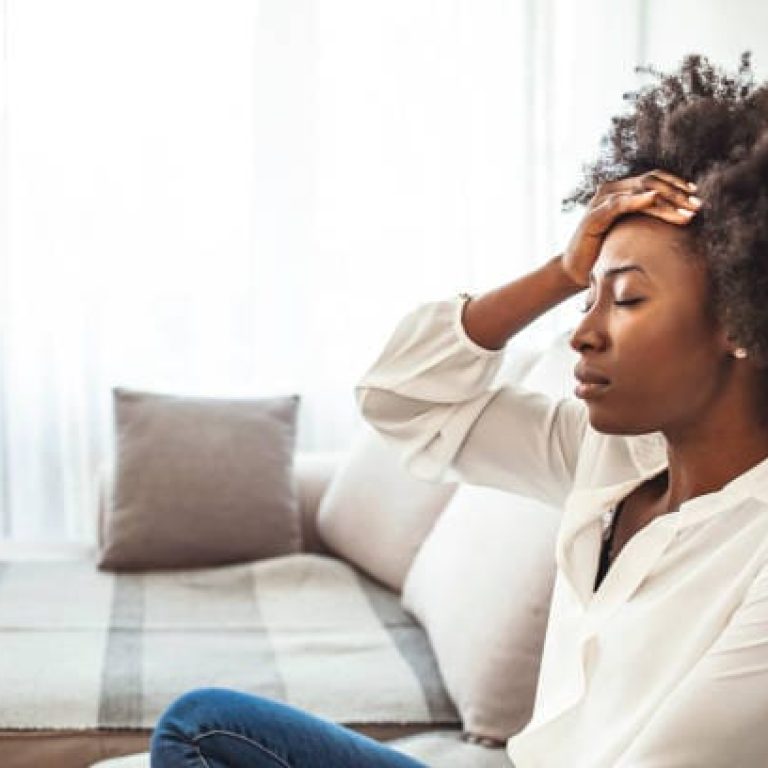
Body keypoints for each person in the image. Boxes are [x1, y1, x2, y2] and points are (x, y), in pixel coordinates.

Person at [150, 52, 768, 767]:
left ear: (739, 321)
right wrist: (560, 271)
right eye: (586, 295)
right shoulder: (611, 459)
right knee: (205, 730)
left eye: (625, 298)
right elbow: (403, 398)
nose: (583, 329)